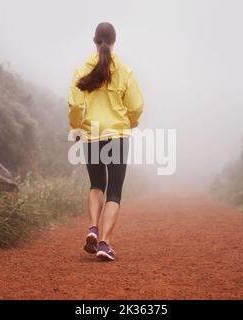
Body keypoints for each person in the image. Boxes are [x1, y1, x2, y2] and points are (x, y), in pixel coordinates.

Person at [68, 22, 144, 261]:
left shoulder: (82, 70)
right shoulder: (124, 70)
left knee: (96, 185)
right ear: (114, 40)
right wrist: (131, 122)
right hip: (118, 136)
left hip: (92, 135)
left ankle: (93, 227)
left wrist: (76, 127)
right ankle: (104, 243)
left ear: (94, 40)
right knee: (114, 192)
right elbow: (136, 106)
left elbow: (75, 105)